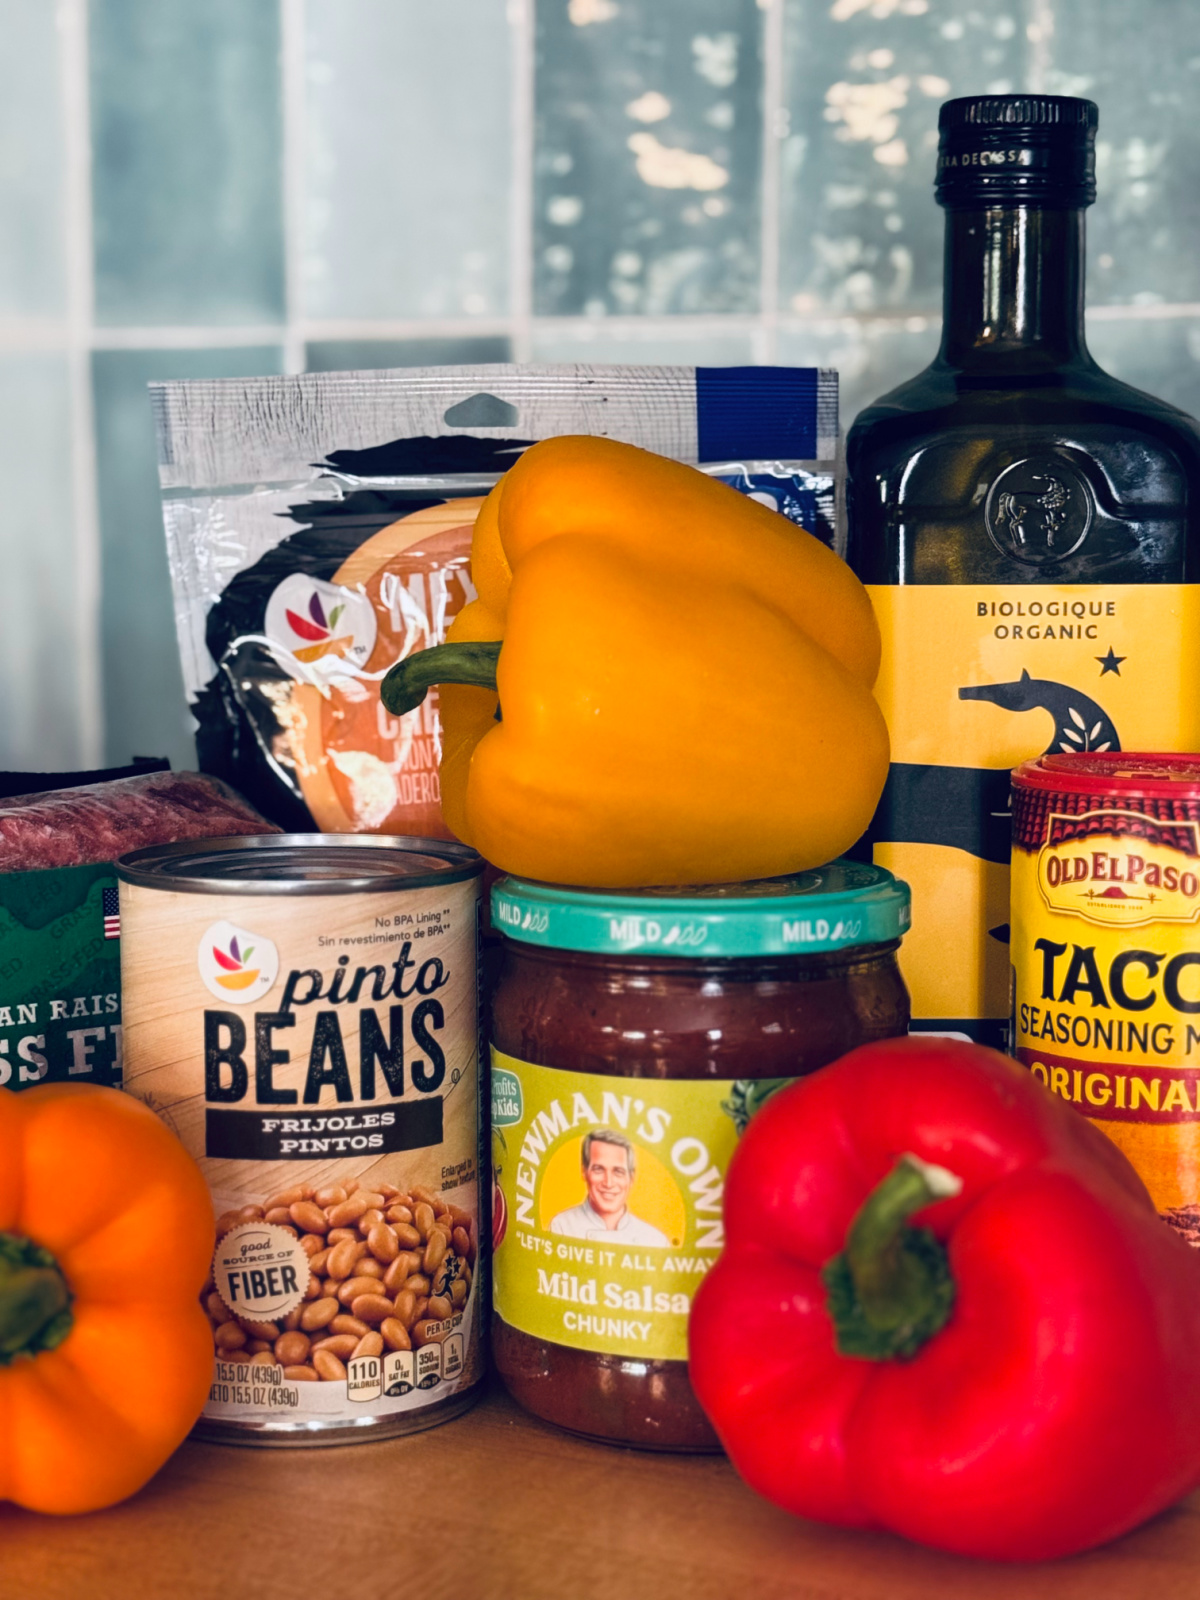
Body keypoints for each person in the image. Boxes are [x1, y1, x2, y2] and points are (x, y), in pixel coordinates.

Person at [550, 1129, 670, 1246]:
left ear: (631, 1178)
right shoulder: (562, 1227)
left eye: (618, 1172)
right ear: (584, 1172)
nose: (608, 1183)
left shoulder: (656, 1240)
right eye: (599, 1169)